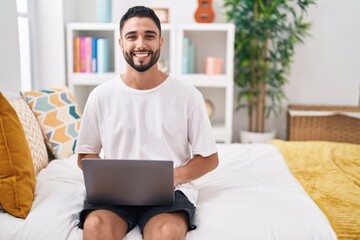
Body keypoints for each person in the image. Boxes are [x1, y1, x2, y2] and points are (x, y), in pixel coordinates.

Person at [76, 5, 219, 240]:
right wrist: (110, 178)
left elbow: (209, 158)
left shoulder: (188, 95)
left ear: (161, 41)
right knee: (96, 226)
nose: (140, 44)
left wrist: (170, 177)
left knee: (167, 232)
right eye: (132, 37)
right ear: (121, 42)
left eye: (149, 36)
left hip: (170, 192)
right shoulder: (100, 95)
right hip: (115, 193)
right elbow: (85, 156)